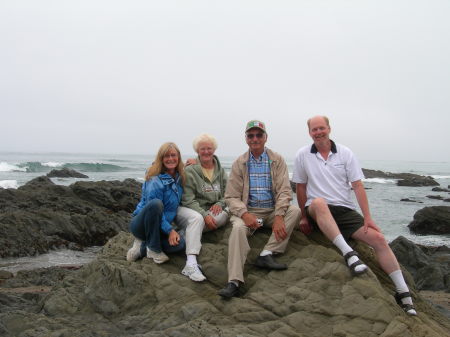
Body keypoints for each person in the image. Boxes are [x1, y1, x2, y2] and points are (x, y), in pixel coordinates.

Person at [292, 115, 417, 316]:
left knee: (378, 239)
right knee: (318, 201)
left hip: (344, 210)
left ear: (329, 128)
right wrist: (304, 217)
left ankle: (404, 294)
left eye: (321, 128)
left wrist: (368, 217)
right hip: (317, 209)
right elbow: (300, 186)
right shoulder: (303, 154)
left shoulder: (345, 153)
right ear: (309, 133)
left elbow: (357, 186)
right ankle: (349, 254)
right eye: (314, 130)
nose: (318, 132)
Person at [218, 120, 301, 298]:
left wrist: (279, 215)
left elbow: (285, 191)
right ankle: (234, 281)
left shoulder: (277, 160)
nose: (255, 138)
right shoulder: (239, 163)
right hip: (248, 211)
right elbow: (231, 196)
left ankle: (267, 253)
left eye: (258, 135)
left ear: (265, 137)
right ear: (246, 139)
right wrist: (245, 214)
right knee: (238, 229)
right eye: (251, 135)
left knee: (295, 211)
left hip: (271, 211)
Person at [176, 133, 229, 282]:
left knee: (225, 214)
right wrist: (204, 214)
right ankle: (191, 263)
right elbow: (188, 200)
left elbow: (229, 194)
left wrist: (220, 203)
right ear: (197, 151)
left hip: (213, 212)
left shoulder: (221, 171)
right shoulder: (190, 170)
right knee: (198, 219)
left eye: (209, 148)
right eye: (202, 149)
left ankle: (184, 234)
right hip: (193, 211)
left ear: (214, 149)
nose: (206, 152)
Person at [126, 142, 186, 264]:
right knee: (156, 204)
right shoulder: (155, 179)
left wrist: (195, 161)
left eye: (173, 155)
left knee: (180, 244)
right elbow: (153, 209)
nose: (170, 159)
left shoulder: (180, 178)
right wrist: (170, 230)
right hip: (142, 225)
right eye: (166, 156)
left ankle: (142, 247)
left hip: (159, 228)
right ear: (161, 158)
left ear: (178, 157)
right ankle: (153, 248)